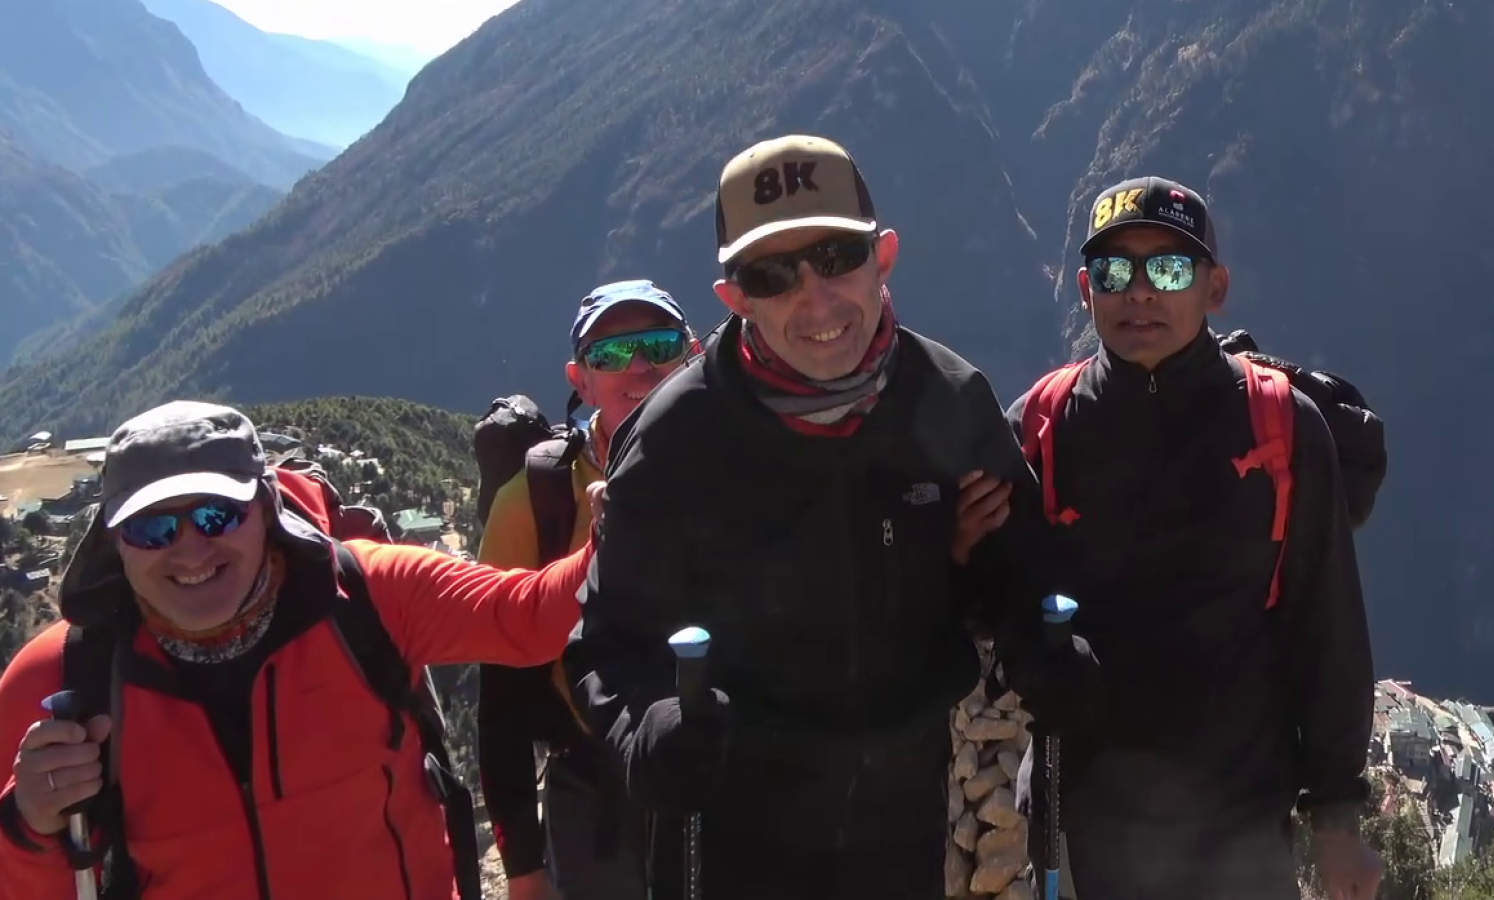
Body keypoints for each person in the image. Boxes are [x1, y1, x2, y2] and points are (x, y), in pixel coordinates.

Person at [560, 134, 1099, 900]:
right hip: (732, 829)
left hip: (901, 818)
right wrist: (646, 733)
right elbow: (607, 643)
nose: (815, 300)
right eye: (773, 274)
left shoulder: (949, 401)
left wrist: (1041, 643)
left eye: (837, 257)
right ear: (735, 297)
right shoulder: (676, 440)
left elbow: (1016, 567)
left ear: (884, 257)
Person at [0, 400, 595, 900]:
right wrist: (26, 827)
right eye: (152, 528)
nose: (190, 551)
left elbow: (528, 618)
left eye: (216, 515)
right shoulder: (59, 680)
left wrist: (620, 525)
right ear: (114, 541)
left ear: (266, 509)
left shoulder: (368, 594)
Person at [1006, 176, 1384, 900]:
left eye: (1170, 269)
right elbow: (997, 590)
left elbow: (1327, 625)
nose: (1140, 292)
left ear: (1216, 289)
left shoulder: (1283, 426)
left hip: (1238, 829)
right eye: (1114, 272)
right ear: (1086, 290)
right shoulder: (1041, 428)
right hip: (1083, 820)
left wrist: (1337, 819)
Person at [476, 280, 696, 900]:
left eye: (660, 345)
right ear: (581, 379)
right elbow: (501, 693)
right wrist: (523, 866)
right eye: (612, 355)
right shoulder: (534, 499)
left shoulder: (744, 470)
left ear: (694, 354)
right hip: (592, 788)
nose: (641, 367)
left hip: (725, 767)